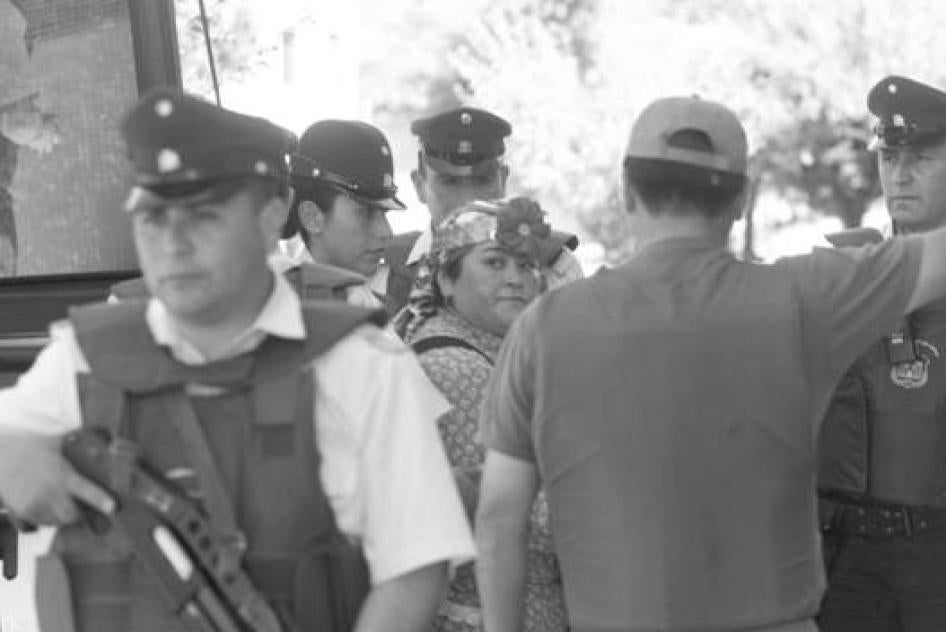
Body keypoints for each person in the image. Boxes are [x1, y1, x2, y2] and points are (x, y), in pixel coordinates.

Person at [0, 87, 474, 632]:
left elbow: (415, 570)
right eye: (153, 219)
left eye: (203, 218)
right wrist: (11, 455)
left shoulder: (363, 365)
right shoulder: (83, 358)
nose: (173, 244)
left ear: (271, 216)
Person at [475, 94, 946, 632]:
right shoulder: (805, 300)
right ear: (741, 199)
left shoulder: (544, 329)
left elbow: (499, 519)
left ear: (626, 190)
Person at [396, 198, 569, 632]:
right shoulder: (457, 368)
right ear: (445, 280)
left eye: (526, 265)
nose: (515, 278)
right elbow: (532, 517)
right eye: (494, 262)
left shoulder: (494, 352)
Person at [817, 76, 946, 631]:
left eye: (922, 158)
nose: (900, 175)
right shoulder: (842, 278)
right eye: (890, 158)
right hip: (849, 560)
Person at [375, 106, 582, 314]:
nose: (468, 198)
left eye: (483, 180)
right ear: (420, 186)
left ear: (503, 181)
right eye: (450, 182)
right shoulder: (386, 270)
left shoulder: (555, 268)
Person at [276, 119, 405, 311]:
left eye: (384, 214)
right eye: (366, 213)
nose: (386, 232)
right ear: (312, 217)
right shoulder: (283, 311)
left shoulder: (386, 309)